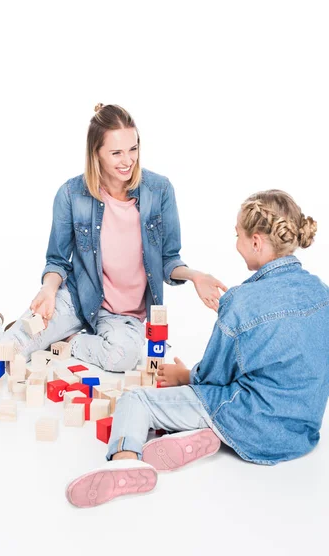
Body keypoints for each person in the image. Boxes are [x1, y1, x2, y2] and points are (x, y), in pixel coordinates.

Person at [65, 189, 329, 508]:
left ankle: (124, 462)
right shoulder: (321, 291)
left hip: (254, 425)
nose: (236, 244)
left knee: (135, 400)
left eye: (238, 235)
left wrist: (183, 374)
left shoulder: (242, 303)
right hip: (303, 432)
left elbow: (213, 379)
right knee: (239, 389)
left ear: (257, 241)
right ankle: (202, 437)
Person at [0, 104, 226, 372]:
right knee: (5, 353)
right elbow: (58, 260)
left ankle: (64, 339)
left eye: (133, 149)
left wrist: (195, 275)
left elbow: (168, 259)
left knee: (122, 358)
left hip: (123, 314)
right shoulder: (71, 194)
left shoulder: (159, 190)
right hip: (78, 298)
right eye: (116, 153)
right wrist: (49, 290)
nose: (128, 161)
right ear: (96, 152)